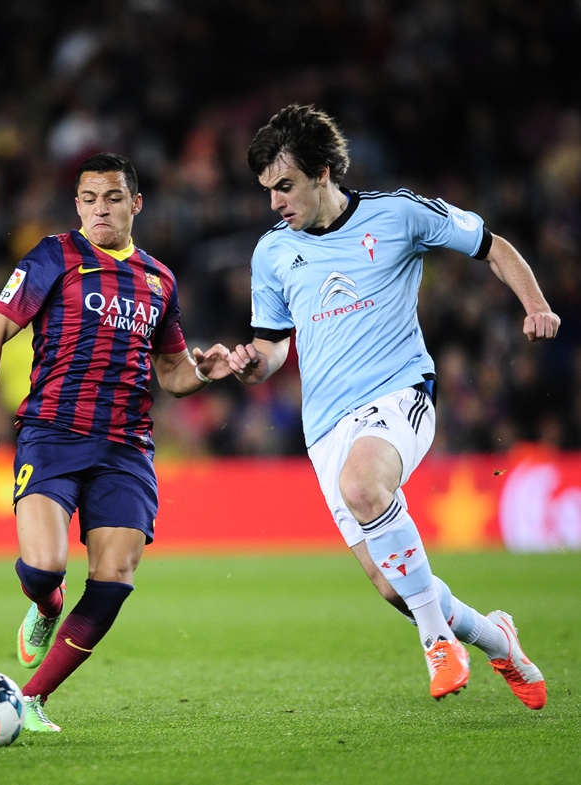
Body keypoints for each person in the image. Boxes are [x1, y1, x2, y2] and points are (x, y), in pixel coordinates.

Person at [228, 104, 560, 708]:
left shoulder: (398, 214)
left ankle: (437, 642)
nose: (274, 201)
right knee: (391, 585)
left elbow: (492, 245)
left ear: (323, 172)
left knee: (364, 486)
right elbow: (272, 347)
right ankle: (499, 641)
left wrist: (535, 305)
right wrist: (249, 363)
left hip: (398, 393)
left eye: (285, 185)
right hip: (324, 426)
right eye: (267, 189)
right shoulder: (272, 253)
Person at [0, 152, 230, 732]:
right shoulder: (55, 256)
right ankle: (45, 606)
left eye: (111, 198)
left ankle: (29, 701)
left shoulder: (159, 279)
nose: (99, 210)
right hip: (52, 435)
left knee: (115, 578)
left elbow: (174, 374)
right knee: (46, 567)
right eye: (88, 199)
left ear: (135, 203)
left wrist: (204, 369)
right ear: (77, 204)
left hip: (125, 448)